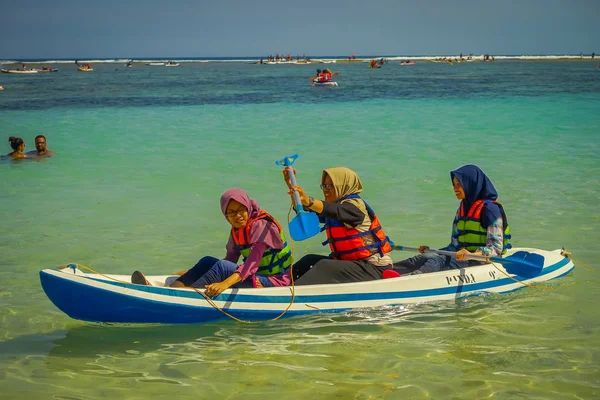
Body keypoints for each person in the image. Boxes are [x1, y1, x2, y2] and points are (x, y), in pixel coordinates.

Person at [131, 188, 293, 296]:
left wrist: (223, 284)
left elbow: (251, 265)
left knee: (221, 268)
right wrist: (192, 272)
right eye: (231, 213)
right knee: (208, 261)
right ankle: (175, 288)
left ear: (247, 207)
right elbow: (230, 260)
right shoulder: (237, 230)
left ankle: (182, 294)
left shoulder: (260, 225)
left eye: (240, 210)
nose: (237, 216)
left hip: (275, 282)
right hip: (256, 276)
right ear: (225, 215)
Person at [283, 167, 394, 285]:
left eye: (330, 186)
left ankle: (292, 295)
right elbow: (306, 213)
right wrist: (292, 188)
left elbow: (335, 211)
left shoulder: (354, 207)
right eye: (324, 186)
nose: (326, 190)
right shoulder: (335, 207)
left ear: (343, 186)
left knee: (324, 266)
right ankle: (279, 283)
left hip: (374, 268)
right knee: (308, 260)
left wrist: (309, 201)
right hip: (353, 265)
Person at [393, 164, 511, 275]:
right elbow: (454, 246)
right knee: (423, 257)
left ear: (470, 184)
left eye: (459, 184)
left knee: (436, 262)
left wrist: (471, 254)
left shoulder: (491, 210)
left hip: (480, 260)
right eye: (454, 184)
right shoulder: (463, 207)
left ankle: (411, 279)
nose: (455, 188)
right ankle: (384, 274)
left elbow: (495, 249)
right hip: (462, 257)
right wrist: (432, 251)